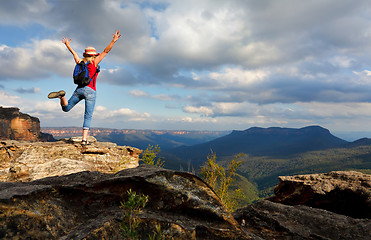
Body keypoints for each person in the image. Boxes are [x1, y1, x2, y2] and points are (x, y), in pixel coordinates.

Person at [48, 30, 121, 145]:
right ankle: (84, 140)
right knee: (88, 115)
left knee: (66, 108)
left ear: (85, 55)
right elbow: (106, 51)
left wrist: (68, 46)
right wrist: (113, 41)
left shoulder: (80, 62)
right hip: (91, 91)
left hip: (79, 90)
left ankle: (62, 96)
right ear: (93, 55)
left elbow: (74, 54)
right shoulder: (94, 62)